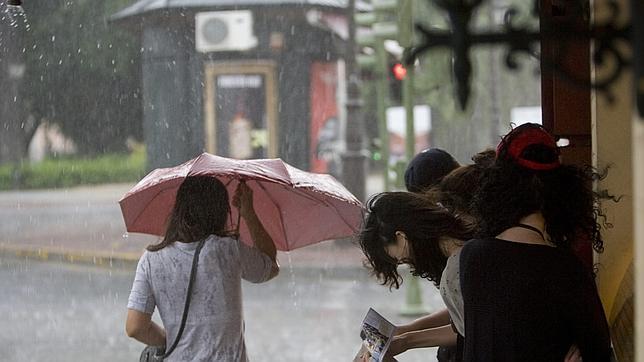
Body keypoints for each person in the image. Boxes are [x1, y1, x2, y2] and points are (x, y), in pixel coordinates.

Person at [460, 123, 612, 361]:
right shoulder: (565, 269)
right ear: (564, 191)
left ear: (496, 188)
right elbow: (599, 350)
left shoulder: (471, 256)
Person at [125, 176, 279, 361]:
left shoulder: (151, 260)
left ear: (179, 210)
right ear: (221, 212)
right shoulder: (228, 249)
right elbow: (269, 267)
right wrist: (248, 213)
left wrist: (169, 339)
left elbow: (135, 327)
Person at [357, 191, 475, 361]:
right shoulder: (465, 238)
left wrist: (407, 340)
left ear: (401, 237)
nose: (402, 262)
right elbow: (462, 311)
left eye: (397, 259)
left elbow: (470, 331)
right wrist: (406, 330)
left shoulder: (457, 268)